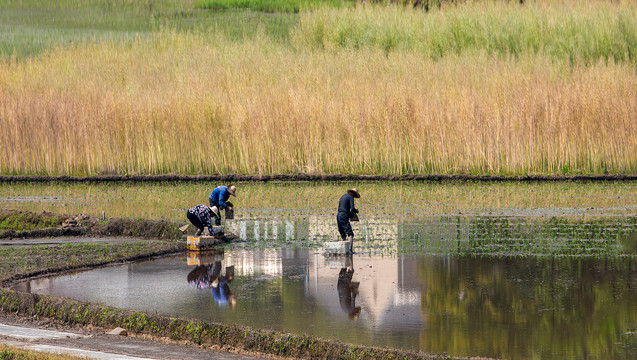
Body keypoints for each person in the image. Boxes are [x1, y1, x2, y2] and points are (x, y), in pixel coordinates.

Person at [337, 188, 360, 253]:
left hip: (338, 215)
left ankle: (342, 250)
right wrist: (356, 211)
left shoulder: (343, 196)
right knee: (350, 234)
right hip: (344, 215)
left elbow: (343, 207)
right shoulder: (350, 197)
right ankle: (350, 250)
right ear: (353, 193)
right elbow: (352, 209)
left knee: (343, 233)